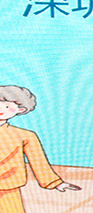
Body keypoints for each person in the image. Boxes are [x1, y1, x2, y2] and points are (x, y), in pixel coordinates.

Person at [0, 85, 81, 213]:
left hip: (7, 186)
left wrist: (54, 182)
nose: (1, 109)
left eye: (7, 106)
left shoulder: (25, 135)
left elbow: (38, 161)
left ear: (20, 109)